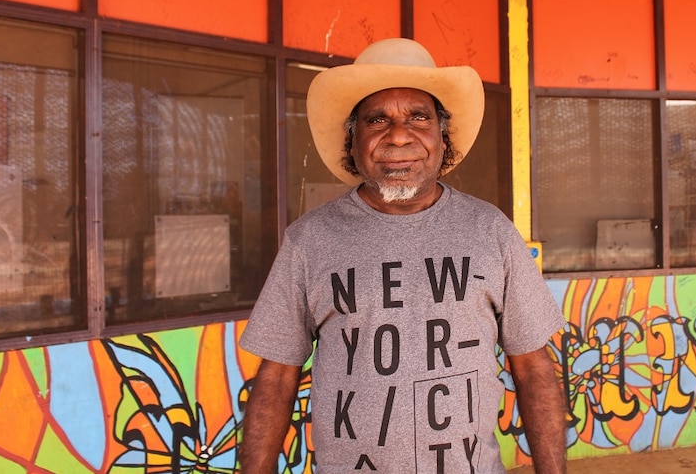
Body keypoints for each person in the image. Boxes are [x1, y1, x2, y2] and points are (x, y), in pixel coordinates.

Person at [239, 38, 567, 473]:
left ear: (441, 138)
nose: (398, 135)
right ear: (353, 144)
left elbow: (533, 369)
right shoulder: (309, 240)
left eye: (418, 117)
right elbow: (276, 378)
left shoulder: (491, 231)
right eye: (377, 120)